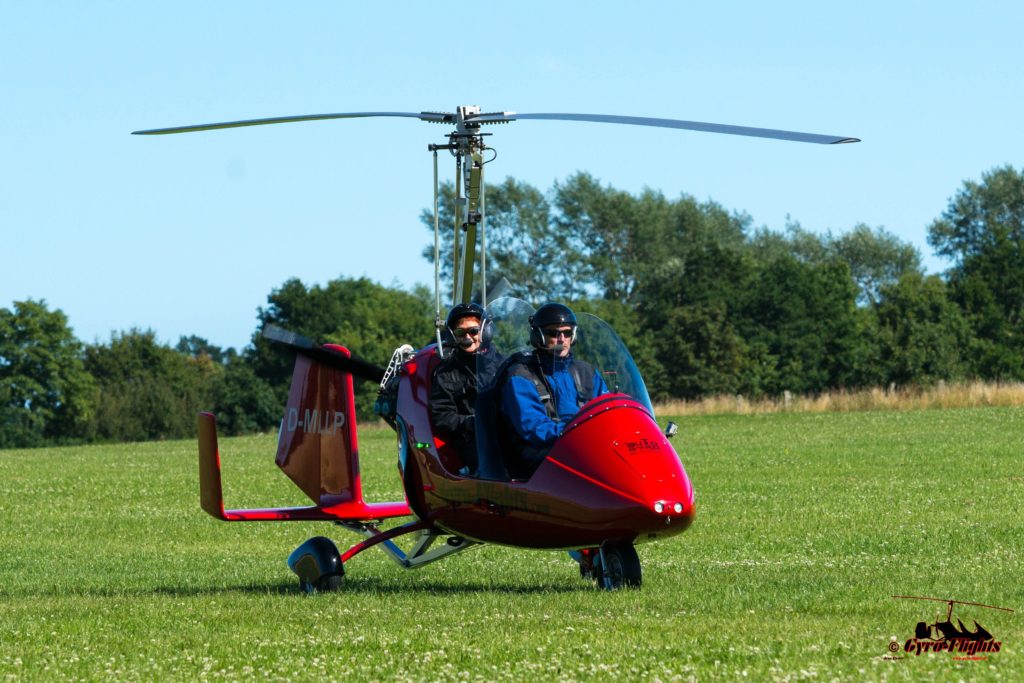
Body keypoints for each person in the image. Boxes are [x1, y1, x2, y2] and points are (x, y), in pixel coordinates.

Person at [498, 302, 609, 477]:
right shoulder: (521, 375)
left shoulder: (586, 372)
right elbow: (533, 428)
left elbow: (607, 411)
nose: (561, 339)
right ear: (538, 336)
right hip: (540, 451)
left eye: (567, 333)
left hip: (584, 443)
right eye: (553, 333)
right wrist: (577, 432)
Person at [429, 303, 498, 474]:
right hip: (472, 438)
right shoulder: (445, 373)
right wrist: (470, 422)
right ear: (453, 336)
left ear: (485, 331)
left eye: (473, 331)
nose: (468, 336)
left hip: (507, 432)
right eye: (461, 333)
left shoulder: (504, 364)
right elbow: (441, 415)